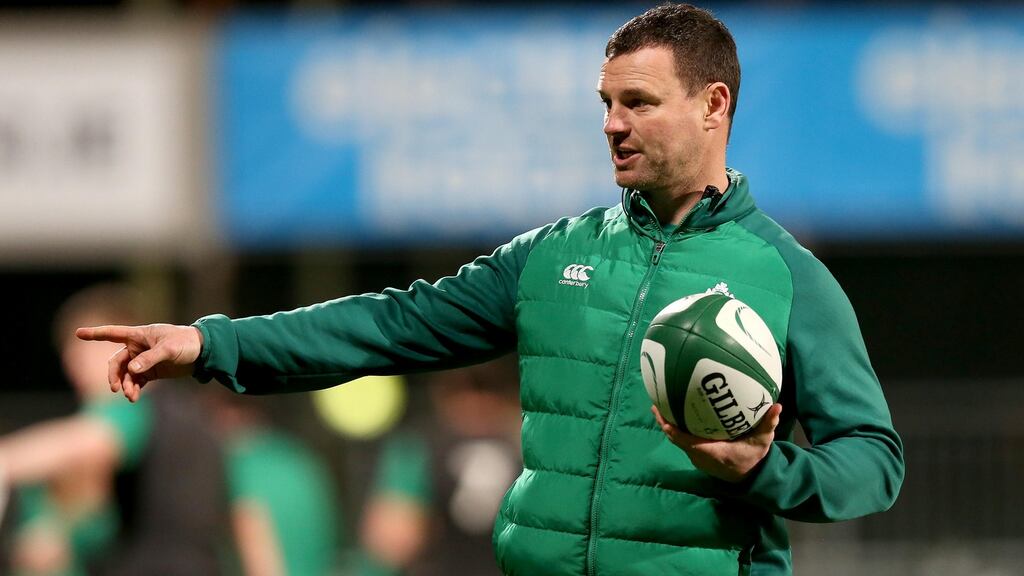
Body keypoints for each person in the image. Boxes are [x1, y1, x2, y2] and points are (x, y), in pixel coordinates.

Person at [77, 4, 905, 574]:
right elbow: (392, 325)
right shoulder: (554, 256)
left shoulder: (788, 277)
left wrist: (763, 469)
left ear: (713, 105)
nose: (612, 124)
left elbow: (873, 461)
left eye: (639, 103)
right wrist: (211, 342)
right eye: (606, 103)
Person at [0, 283, 228, 576]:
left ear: (125, 344)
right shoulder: (185, 412)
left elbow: (83, 442)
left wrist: (6, 458)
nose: (72, 368)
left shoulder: (133, 406)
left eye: (81, 353)